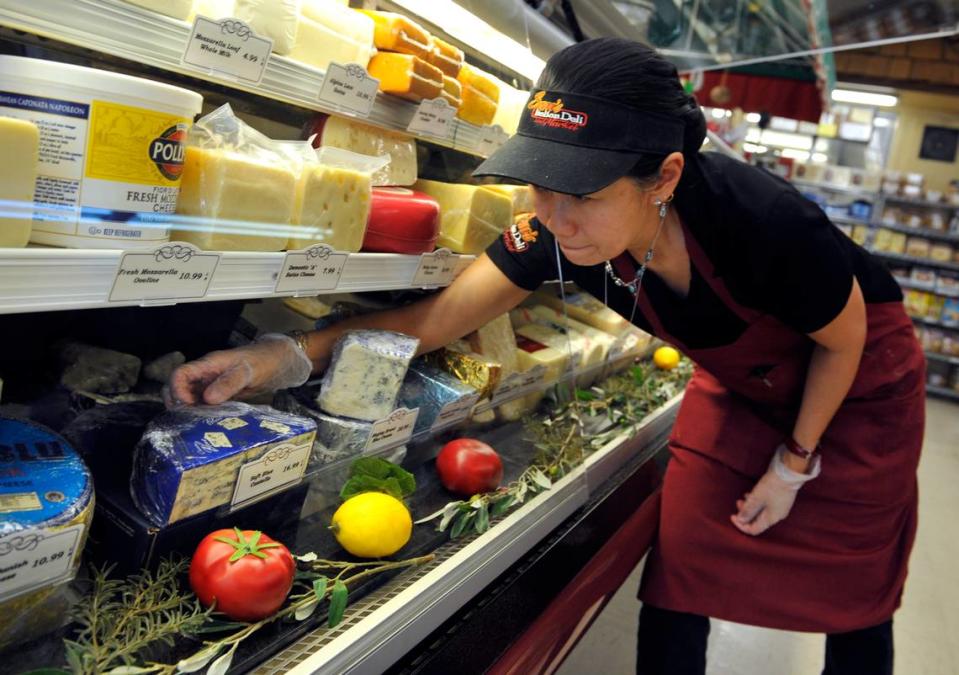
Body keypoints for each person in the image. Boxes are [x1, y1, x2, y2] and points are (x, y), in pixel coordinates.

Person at [168, 37, 924, 675]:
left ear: (662, 176)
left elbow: (842, 340)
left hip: (857, 389)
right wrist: (283, 357)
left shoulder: (764, 223)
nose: (553, 218)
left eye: (583, 193)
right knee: (685, 564)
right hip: (734, 385)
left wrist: (794, 462)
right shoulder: (557, 232)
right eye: (539, 185)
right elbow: (436, 319)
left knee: (849, 583)